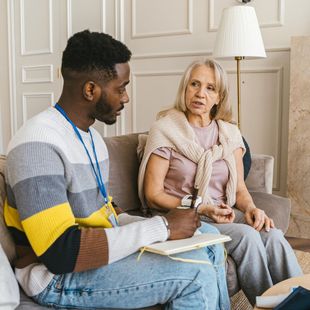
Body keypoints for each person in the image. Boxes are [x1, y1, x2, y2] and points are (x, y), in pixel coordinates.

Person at [4, 30, 230, 310]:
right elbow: (60, 253)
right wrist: (161, 226)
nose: (126, 98)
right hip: (56, 278)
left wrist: (166, 226)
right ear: (90, 90)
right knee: (194, 274)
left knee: (208, 240)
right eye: (121, 88)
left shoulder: (92, 139)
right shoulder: (36, 145)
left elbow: (106, 213)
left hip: (93, 260)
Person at [138, 59, 303, 306]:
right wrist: (202, 207)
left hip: (223, 213)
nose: (200, 93)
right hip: (184, 216)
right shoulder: (165, 130)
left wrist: (251, 209)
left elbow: (239, 189)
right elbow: (153, 194)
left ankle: (304, 298)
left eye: (210, 88)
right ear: (185, 88)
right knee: (247, 237)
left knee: (271, 233)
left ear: (219, 97)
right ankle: (273, 305)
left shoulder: (229, 134)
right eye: (194, 84)